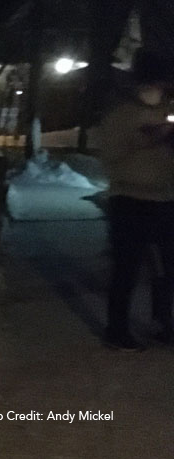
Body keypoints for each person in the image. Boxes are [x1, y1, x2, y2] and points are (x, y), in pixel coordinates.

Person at [96, 49, 174, 351]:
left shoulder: (168, 108)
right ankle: (117, 328)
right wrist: (146, 137)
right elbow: (109, 156)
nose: (158, 89)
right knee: (126, 268)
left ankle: (162, 322)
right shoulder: (121, 114)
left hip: (165, 198)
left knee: (167, 269)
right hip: (129, 198)